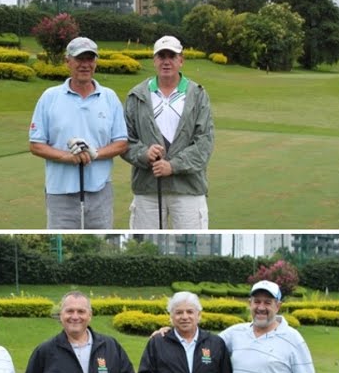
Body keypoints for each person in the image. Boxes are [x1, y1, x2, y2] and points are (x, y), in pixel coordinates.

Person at [29, 37, 128, 229]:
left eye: (90, 59)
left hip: (100, 191)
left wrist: (95, 153)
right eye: (79, 59)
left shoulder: (109, 97)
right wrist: (66, 156)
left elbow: (121, 142)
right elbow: (36, 144)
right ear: (68, 62)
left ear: (95, 63)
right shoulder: (50, 97)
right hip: (60, 193)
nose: (85, 65)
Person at [121, 35, 214, 229]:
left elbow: (204, 143)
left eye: (172, 56)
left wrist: (172, 166)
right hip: (148, 188)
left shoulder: (197, 95)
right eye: (161, 56)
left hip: (188, 188)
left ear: (181, 60)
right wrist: (144, 154)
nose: (166, 61)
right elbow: (125, 141)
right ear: (154, 60)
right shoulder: (136, 95)